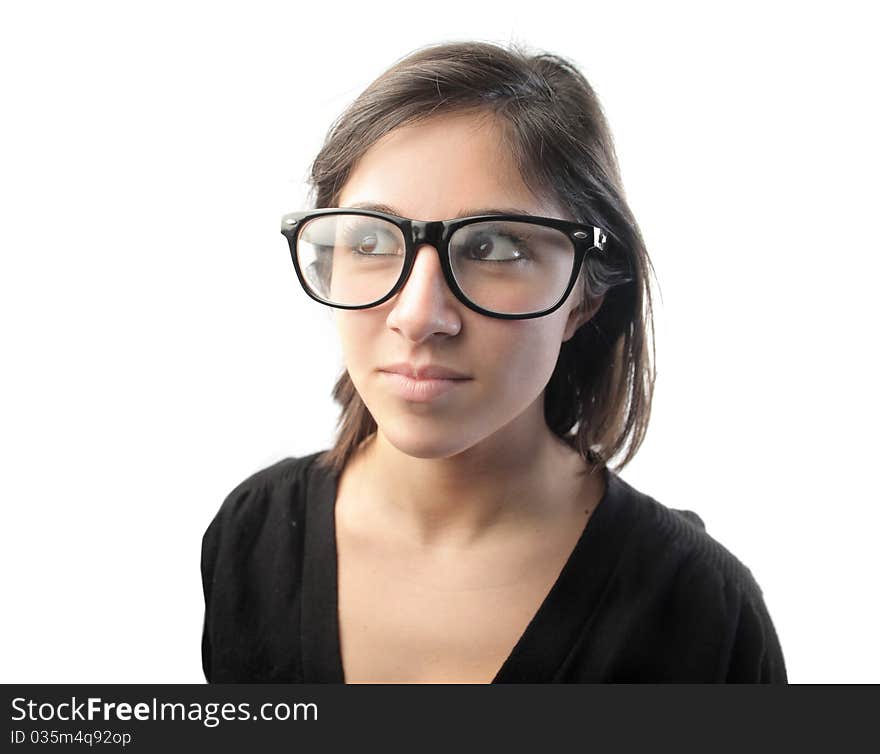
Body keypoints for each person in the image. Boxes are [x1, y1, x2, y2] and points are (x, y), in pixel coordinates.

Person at [200, 40, 787, 683]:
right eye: (369, 240)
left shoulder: (702, 615)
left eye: (496, 247)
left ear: (585, 297)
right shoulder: (250, 538)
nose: (419, 315)